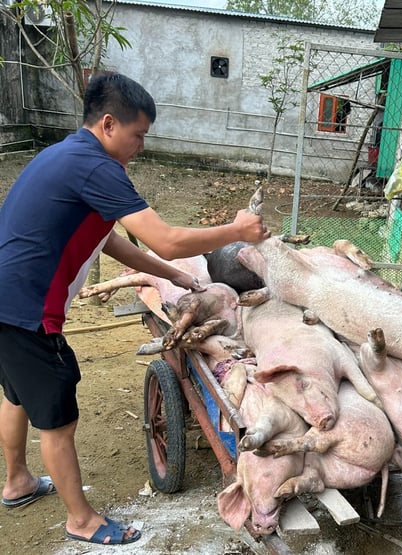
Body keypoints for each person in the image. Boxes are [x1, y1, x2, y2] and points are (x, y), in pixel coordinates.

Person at [0, 73, 270, 545]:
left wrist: (173, 275)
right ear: (108, 124)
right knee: (60, 419)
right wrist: (235, 230)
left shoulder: (63, 156)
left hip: (6, 302)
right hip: (28, 310)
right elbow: (164, 237)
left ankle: (17, 480)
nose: (140, 146)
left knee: (16, 394)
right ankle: (80, 520)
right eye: (138, 134)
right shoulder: (95, 167)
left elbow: (106, 241)